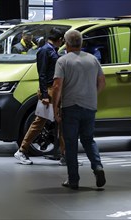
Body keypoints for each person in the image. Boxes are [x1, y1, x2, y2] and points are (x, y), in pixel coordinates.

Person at [52, 29, 106, 190]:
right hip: (90, 106)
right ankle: (97, 167)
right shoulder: (93, 60)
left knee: (70, 143)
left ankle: (73, 180)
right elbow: (102, 82)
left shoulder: (63, 61)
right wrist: (92, 95)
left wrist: (55, 108)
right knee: (88, 139)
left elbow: (57, 86)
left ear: (66, 43)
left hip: (71, 107)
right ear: (81, 43)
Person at [14, 27, 64, 165]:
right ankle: (22, 150)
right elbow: (41, 74)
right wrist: (44, 94)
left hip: (53, 90)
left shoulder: (51, 50)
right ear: (59, 40)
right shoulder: (44, 51)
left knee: (60, 121)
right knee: (39, 122)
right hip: (48, 91)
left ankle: (65, 155)